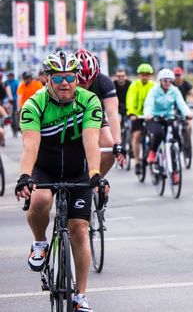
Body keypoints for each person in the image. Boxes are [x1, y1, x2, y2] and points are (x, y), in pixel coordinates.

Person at [14, 50, 109, 312]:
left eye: (70, 77)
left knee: (79, 230)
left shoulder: (89, 101)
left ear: (77, 78)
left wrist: (95, 174)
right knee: (40, 199)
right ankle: (40, 242)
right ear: (47, 79)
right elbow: (30, 146)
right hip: (45, 169)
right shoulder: (34, 104)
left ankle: (80, 296)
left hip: (78, 171)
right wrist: (25, 176)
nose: (65, 83)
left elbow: (91, 140)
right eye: (58, 78)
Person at [75, 49, 126, 175]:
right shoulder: (66, 81)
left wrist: (117, 143)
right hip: (70, 117)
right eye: (81, 82)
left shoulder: (104, 81)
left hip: (95, 116)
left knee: (109, 147)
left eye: (90, 81)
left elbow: (112, 114)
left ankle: (95, 180)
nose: (86, 85)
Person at [143, 69, 192, 182]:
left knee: (176, 137)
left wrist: (187, 113)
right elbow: (149, 103)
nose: (167, 83)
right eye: (165, 80)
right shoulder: (154, 90)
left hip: (169, 117)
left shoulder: (174, 90)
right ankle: (152, 152)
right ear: (160, 81)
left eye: (170, 81)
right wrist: (148, 114)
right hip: (155, 117)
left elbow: (181, 103)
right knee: (158, 133)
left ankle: (174, 170)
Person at [126, 63, 155, 175]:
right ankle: (137, 162)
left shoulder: (153, 85)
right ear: (139, 75)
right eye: (143, 74)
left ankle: (150, 155)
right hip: (137, 116)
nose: (145, 76)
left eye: (147, 74)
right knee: (137, 135)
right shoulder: (134, 85)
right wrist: (132, 113)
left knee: (154, 135)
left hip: (150, 115)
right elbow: (130, 99)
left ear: (150, 75)